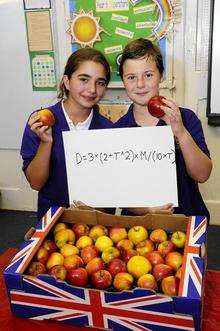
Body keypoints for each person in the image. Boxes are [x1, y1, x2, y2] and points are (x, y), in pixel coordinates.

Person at [115, 38, 212, 218]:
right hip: (137, 225)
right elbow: (118, 189)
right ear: (123, 81)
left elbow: (202, 174)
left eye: (148, 75)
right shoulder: (119, 130)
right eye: (131, 77)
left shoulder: (186, 118)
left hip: (187, 217)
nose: (140, 84)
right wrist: (147, 210)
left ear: (161, 75)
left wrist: (180, 132)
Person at [21, 48, 113, 220]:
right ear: (67, 82)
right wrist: (46, 143)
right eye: (84, 79)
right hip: (52, 218)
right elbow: (35, 183)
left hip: (97, 221)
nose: (92, 89)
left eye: (100, 82)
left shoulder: (109, 129)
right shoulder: (40, 122)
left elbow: (114, 184)